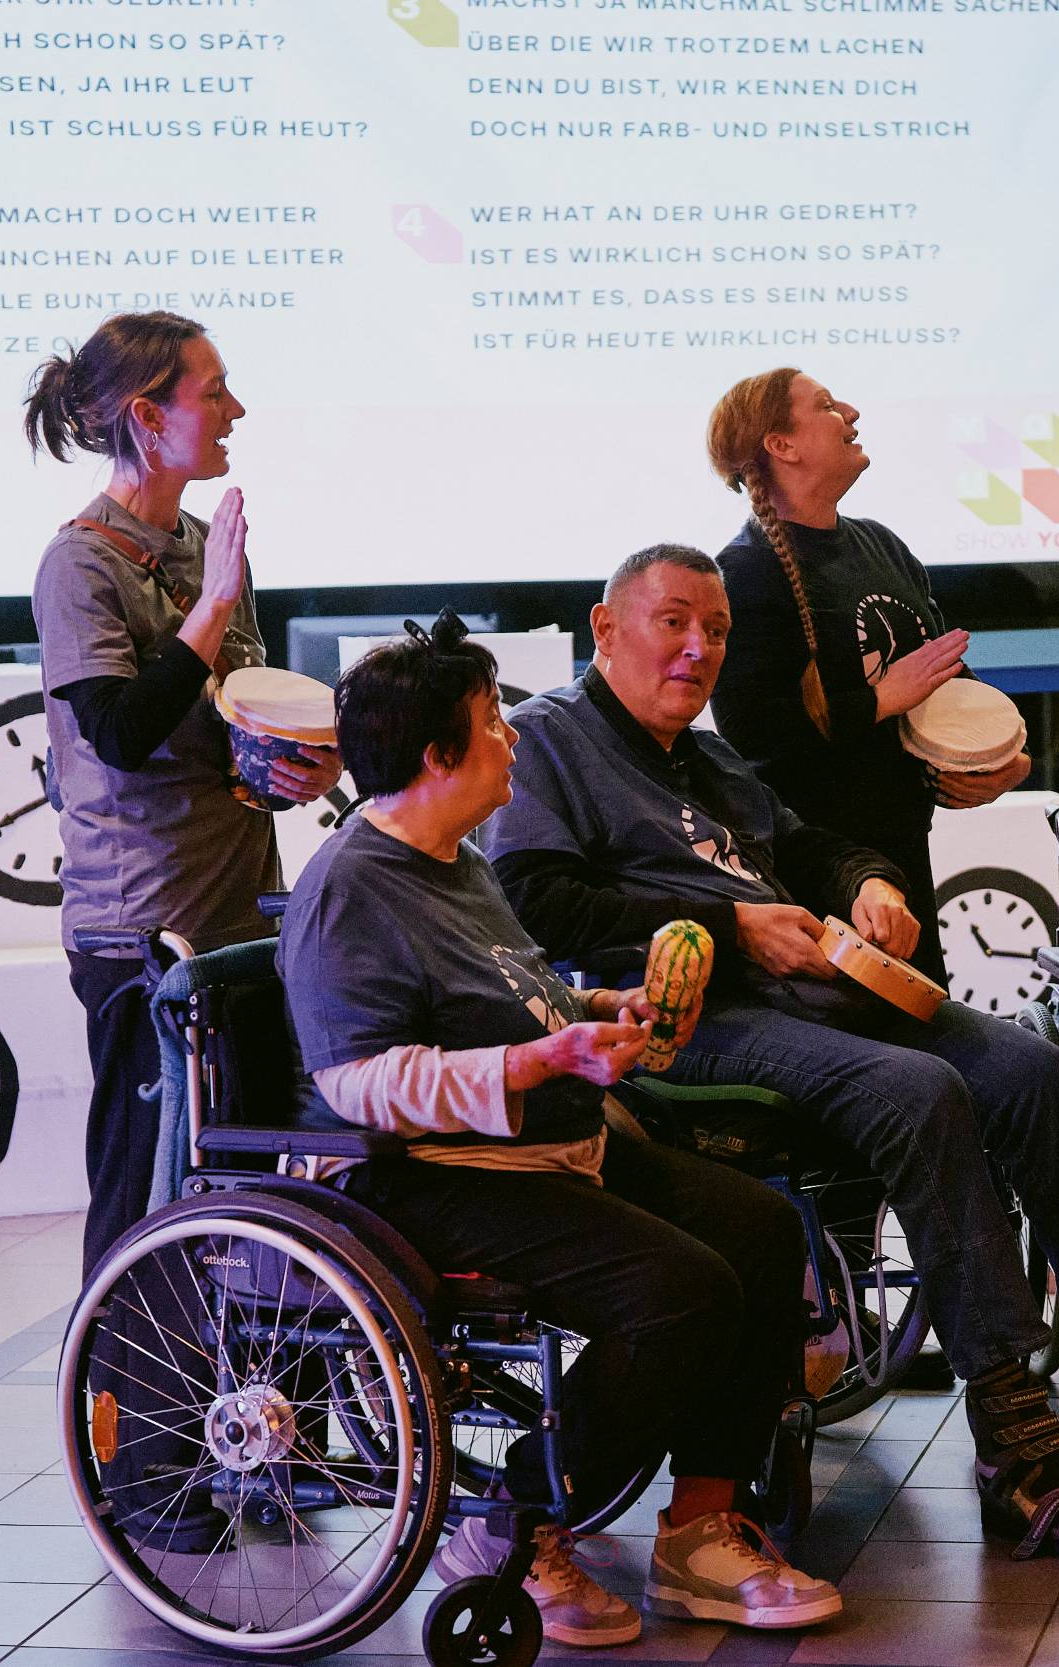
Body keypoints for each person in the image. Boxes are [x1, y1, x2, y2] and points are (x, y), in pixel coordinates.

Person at [481, 545, 1059, 1559]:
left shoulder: (710, 759)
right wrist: (731, 926)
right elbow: (535, 902)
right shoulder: (549, 742)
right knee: (919, 1088)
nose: (698, 648)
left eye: (715, 629)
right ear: (605, 628)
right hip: (674, 1022)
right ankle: (1013, 1431)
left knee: (1030, 1067)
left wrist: (866, 879)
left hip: (813, 993)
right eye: (673, 621)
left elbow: (807, 843)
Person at [281, 617, 842, 1645]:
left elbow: (519, 997)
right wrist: (538, 1063)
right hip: (430, 1173)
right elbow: (360, 1081)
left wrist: (601, 1011)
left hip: (550, 1144)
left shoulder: (459, 860)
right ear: (437, 755)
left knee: (762, 1230)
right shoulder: (350, 888)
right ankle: (509, 1524)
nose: (514, 739)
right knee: (681, 1290)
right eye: (493, 724)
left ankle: (700, 1528)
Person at [22, 311, 341, 1278]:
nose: (236, 409)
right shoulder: (80, 562)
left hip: (241, 914)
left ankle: (234, 1373)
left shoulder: (208, 545)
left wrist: (295, 768)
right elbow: (119, 734)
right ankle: (121, 1378)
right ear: (147, 416)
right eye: (214, 392)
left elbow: (234, 720)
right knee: (143, 1189)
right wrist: (209, 609)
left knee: (242, 1185)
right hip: (143, 934)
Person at [704, 368, 1031, 984]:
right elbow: (752, 731)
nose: (851, 412)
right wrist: (881, 699)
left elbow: (947, 682)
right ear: (782, 445)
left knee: (926, 1029)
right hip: (815, 871)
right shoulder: (745, 571)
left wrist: (1006, 762)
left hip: (903, 855)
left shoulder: (882, 545)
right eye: (827, 405)